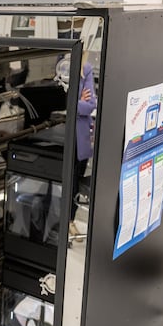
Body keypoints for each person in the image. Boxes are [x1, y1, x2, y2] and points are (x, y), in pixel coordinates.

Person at [69, 58, 97, 240]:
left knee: (75, 183)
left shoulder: (85, 69)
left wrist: (73, 103)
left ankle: (70, 221)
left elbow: (90, 105)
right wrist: (76, 101)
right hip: (62, 135)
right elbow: (58, 100)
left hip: (80, 137)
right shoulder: (58, 65)